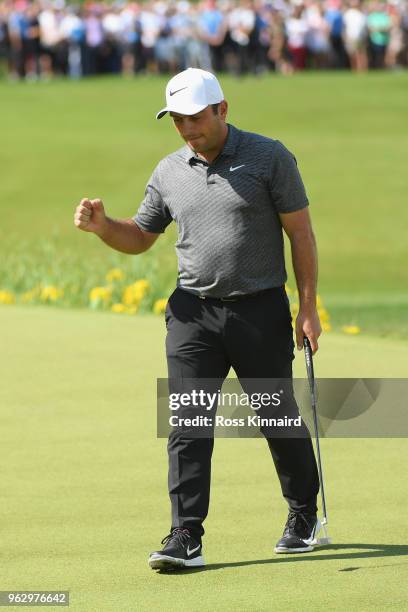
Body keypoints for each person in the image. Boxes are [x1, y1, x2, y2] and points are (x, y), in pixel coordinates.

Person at [74, 67, 322, 571]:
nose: (187, 128)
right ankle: (186, 535)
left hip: (259, 309)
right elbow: (140, 237)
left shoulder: (269, 157)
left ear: (222, 110)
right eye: (177, 120)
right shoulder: (169, 170)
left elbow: (300, 234)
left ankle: (303, 515)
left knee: (276, 417)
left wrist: (309, 306)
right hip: (192, 314)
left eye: (195, 117)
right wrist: (104, 228)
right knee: (187, 422)